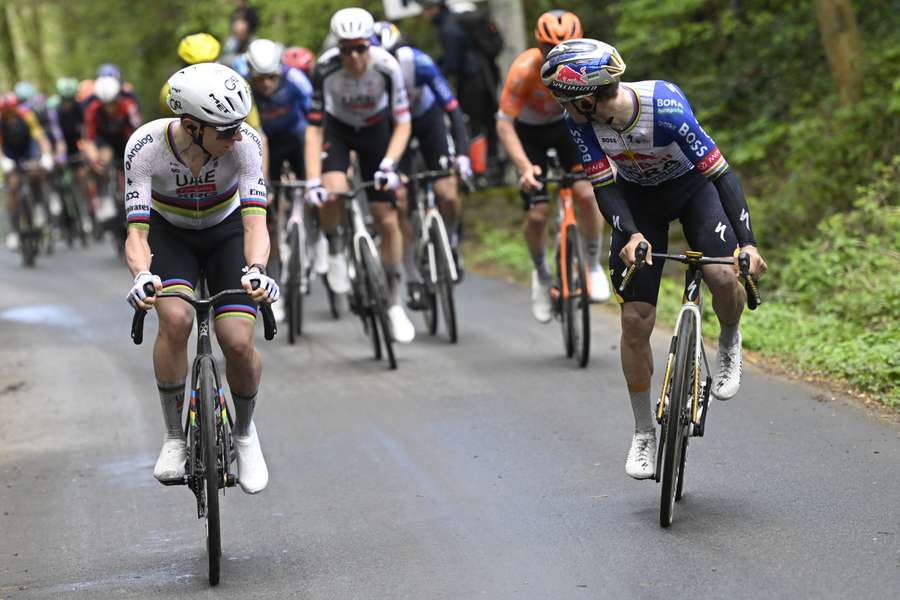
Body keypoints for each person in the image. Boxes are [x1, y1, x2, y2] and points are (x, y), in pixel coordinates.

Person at [541, 38, 767, 479]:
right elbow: (603, 187)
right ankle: (644, 430)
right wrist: (630, 233)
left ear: (587, 100)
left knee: (722, 276)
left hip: (693, 193)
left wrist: (748, 243)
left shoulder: (665, 110)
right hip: (636, 201)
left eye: (566, 102)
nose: (563, 110)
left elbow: (722, 176)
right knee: (635, 320)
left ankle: (730, 337)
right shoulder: (582, 124)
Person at [125, 63, 277, 494]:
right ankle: (174, 437)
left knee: (237, 340)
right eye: (225, 130)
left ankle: (245, 434)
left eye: (238, 127)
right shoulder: (145, 147)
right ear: (192, 126)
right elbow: (136, 232)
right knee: (174, 319)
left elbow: (255, 224)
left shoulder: (245, 143)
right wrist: (141, 276)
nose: (235, 137)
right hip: (170, 235)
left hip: (227, 232)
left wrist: (258, 271)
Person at [304, 8, 416, 343]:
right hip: (339, 130)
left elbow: (404, 122)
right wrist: (312, 179)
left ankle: (394, 302)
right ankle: (336, 246)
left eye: (360, 48)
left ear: (370, 44)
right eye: (346, 48)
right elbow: (313, 128)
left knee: (387, 218)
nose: (354, 56)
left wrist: (390, 163)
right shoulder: (325, 68)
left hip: (376, 131)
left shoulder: (386, 66)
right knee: (333, 190)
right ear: (337, 47)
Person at [496, 11, 610, 324]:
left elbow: (604, 111)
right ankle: (542, 273)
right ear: (539, 46)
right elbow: (504, 124)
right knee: (537, 212)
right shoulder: (523, 69)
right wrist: (523, 167)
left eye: (566, 46)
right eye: (549, 49)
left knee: (586, 193)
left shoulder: (589, 64)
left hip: (567, 128)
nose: (557, 55)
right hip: (529, 133)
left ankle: (591, 264)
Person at [370, 20, 471, 306]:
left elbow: (452, 109)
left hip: (428, 123)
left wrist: (462, 154)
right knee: (399, 199)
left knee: (446, 192)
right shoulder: (368, 74)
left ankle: (450, 242)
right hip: (393, 128)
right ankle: (413, 274)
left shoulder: (420, 63)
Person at [245, 38, 313, 287]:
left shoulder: (295, 79)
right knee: (267, 215)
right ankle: (271, 273)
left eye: (272, 77)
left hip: (297, 140)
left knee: (313, 190)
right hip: (266, 145)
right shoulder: (243, 86)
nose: (267, 84)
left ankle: (318, 239)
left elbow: (317, 120)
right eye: (260, 78)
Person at [419, 0, 503, 182]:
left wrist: (435, 74)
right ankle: (494, 168)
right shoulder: (453, 21)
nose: (424, 15)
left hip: (471, 81)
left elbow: (453, 62)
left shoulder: (447, 28)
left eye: (425, 10)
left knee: (473, 124)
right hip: (484, 77)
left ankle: (481, 171)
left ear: (434, 9)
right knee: (487, 122)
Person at [1, 92, 54, 250]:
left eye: (12, 112)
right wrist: (3, 161)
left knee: (35, 174)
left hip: (28, 151)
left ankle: (38, 207)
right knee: (13, 185)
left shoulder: (26, 115)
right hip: (10, 154)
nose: (10, 117)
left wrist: (46, 155)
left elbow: (40, 137)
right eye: (6, 113)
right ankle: (14, 231)